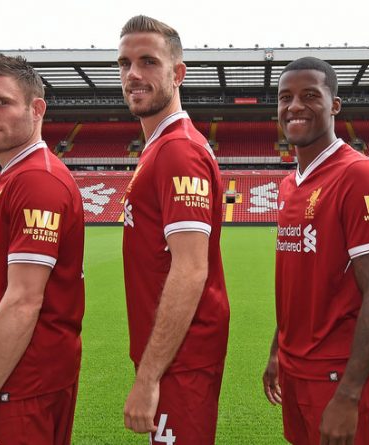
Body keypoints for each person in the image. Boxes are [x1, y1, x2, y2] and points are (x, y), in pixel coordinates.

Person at [0, 54, 85, 445]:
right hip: (33, 380)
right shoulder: (20, 176)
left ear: (36, 109)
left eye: (1, 102)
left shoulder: (36, 181)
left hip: (23, 386)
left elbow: (25, 300)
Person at [263, 57, 369, 445]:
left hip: (336, 373)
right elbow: (298, 284)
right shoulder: (290, 184)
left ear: (334, 105)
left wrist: (350, 393)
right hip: (295, 365)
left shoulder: (358, 176)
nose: (294, 106)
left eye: (309, 95)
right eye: (285, 97)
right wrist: (277, 350)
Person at [117, 15, 229, 445]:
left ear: (177, 73)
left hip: (181, 358)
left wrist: (148, 378)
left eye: (148, 61)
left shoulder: (178, 151)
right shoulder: (160, 148)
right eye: (125, 63)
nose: (133, 74)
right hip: (174, 355)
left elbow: (191, 269)